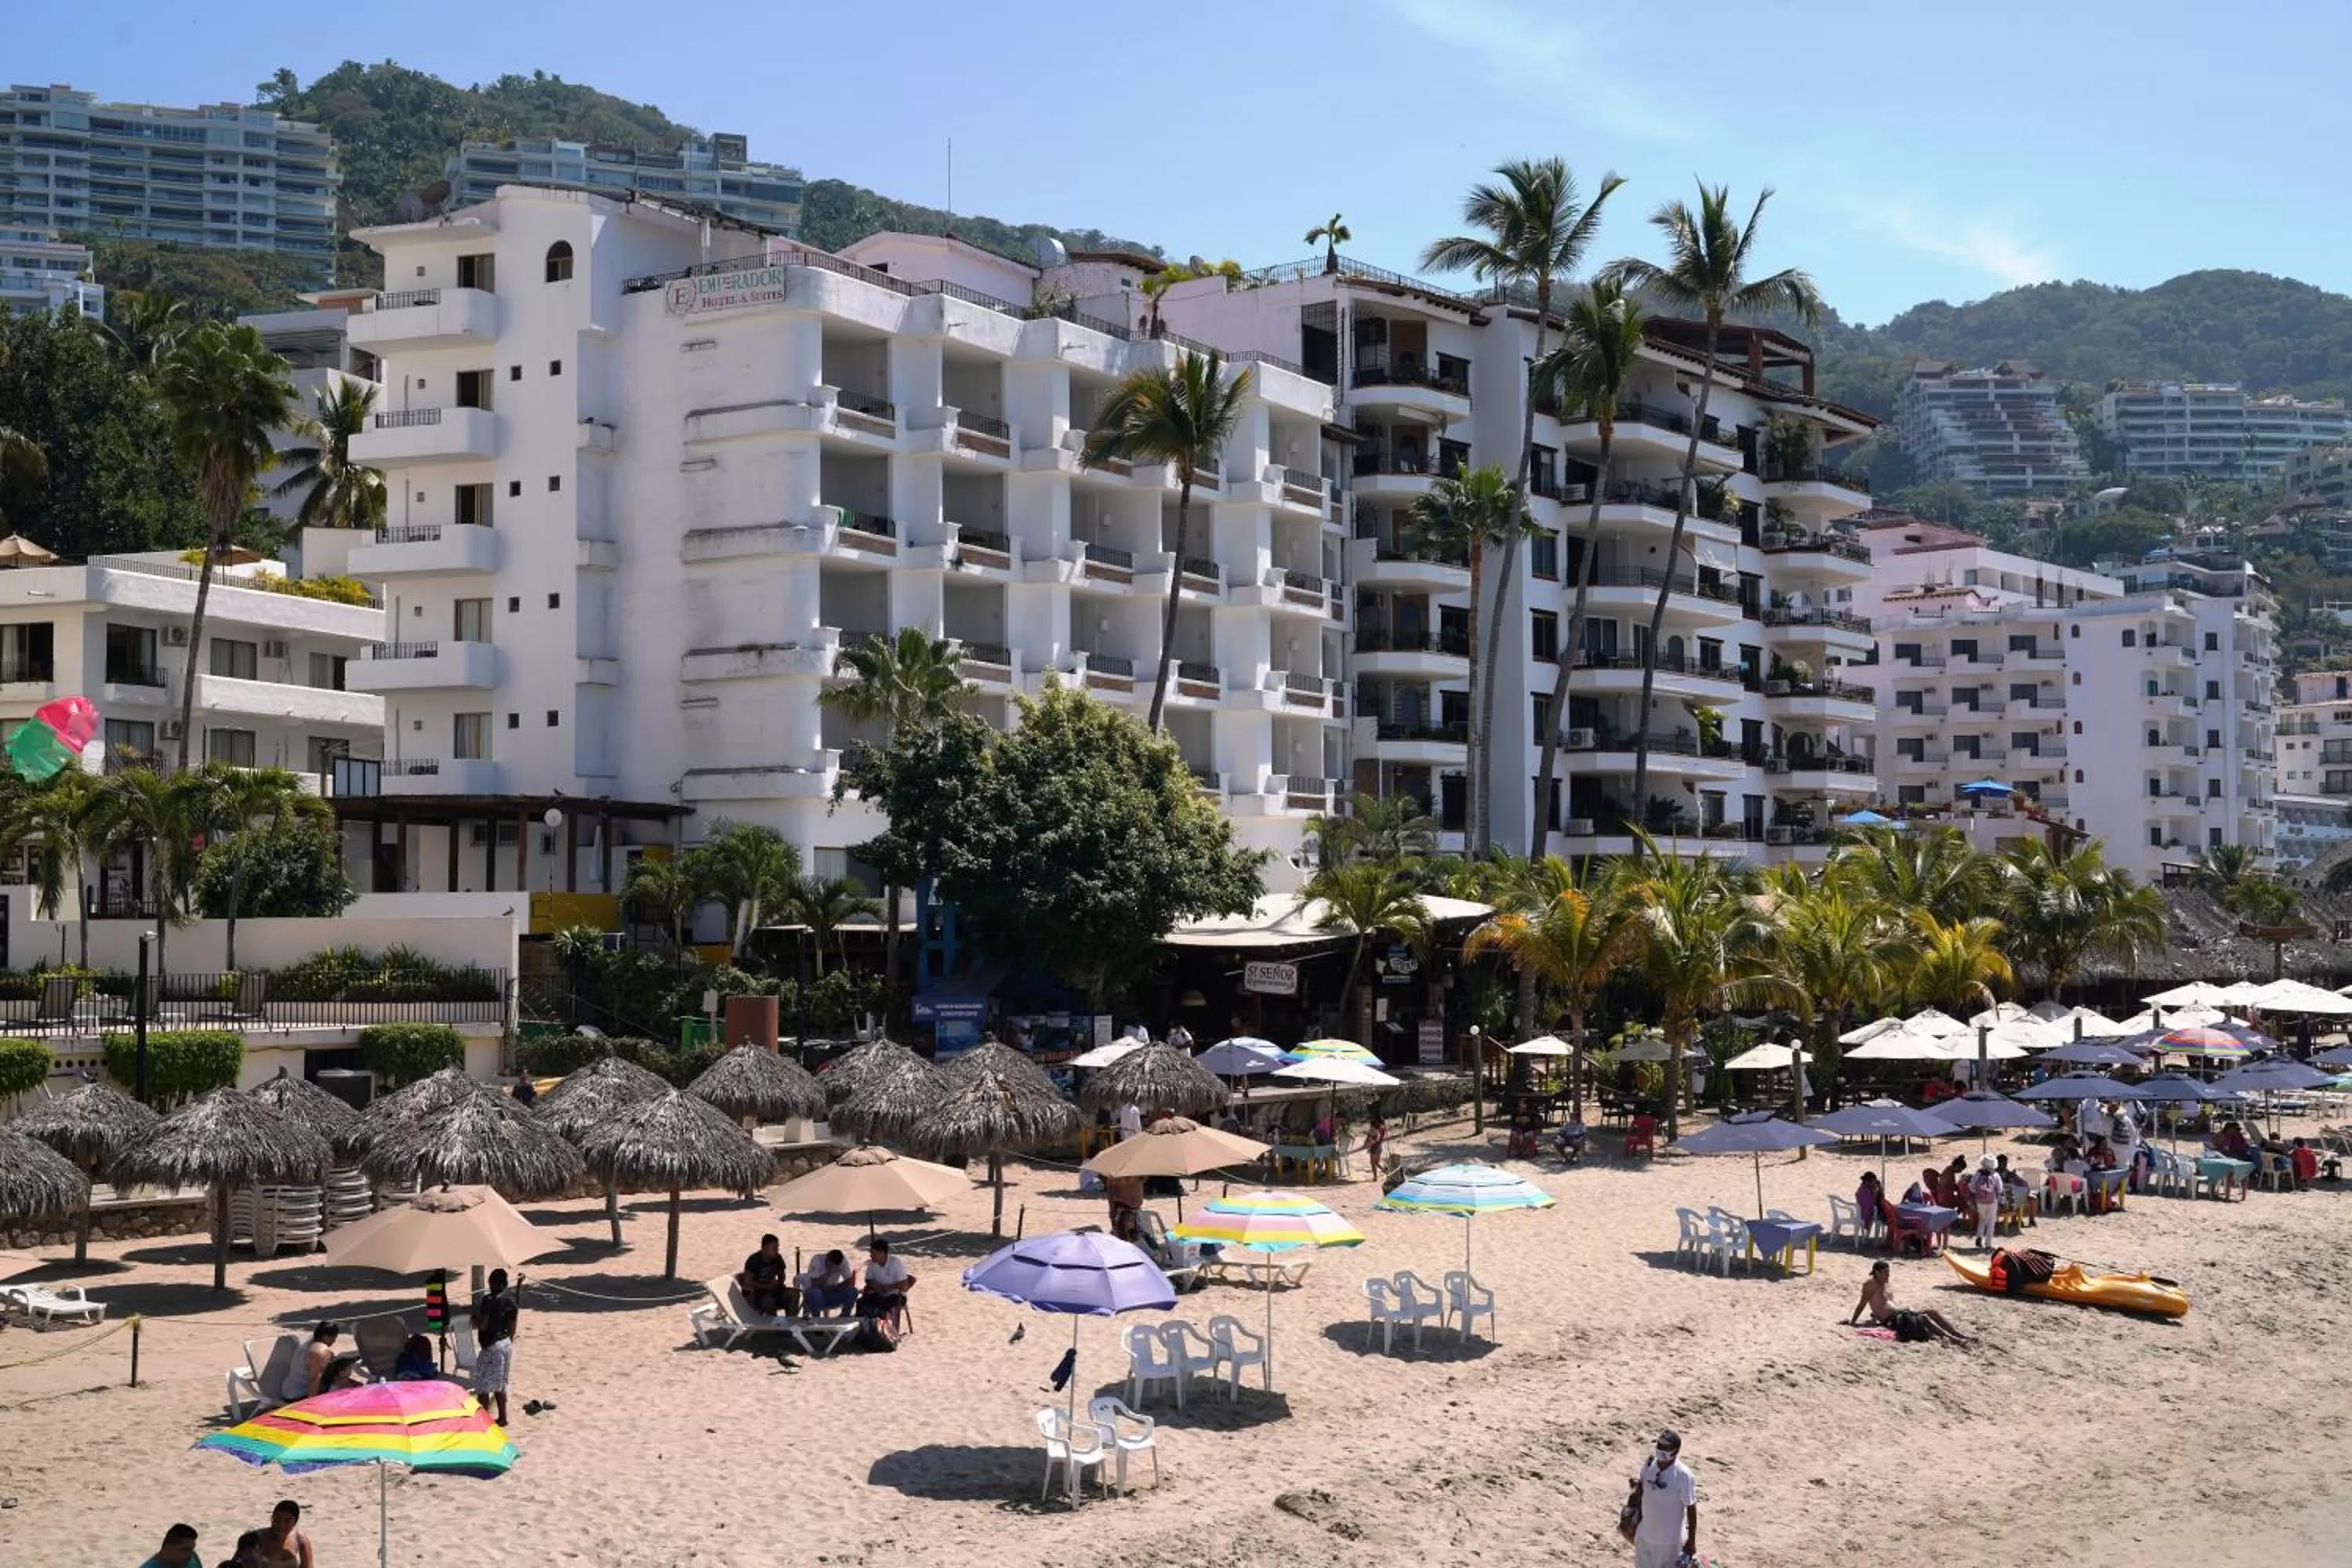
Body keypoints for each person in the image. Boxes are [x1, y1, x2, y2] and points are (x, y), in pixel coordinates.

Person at [1849, 1259, 1977, 1347]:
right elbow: (1862, 1304)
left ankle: (1960, 1334)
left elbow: (1887, 1303)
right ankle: (1955, 1340)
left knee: (1932, 1312)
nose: (1888, 1277)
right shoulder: (1870, 1285)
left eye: (1889, 1274)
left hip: (1900, 1313)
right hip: (1891, 1320)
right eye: (1885, 1274)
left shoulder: (1885, 1284)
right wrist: (1853, 1322)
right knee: (1924, 1317)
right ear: (1876, 1273)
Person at [1624, 1429, 1699, 1568]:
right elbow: (1640, 1490)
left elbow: (1691, 1508)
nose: (1660, 1450)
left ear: (1675, 1452)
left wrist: (1691, 1541)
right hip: (1645, 1537)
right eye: (1659, 1446)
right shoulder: (1649, 1464)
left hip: (1670, 1544)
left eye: (1665, 1447)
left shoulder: (1683, 1475)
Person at [469, 1267, 521, 1426]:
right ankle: (503, 1418)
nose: (489, 1286)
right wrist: (509, 1340)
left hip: (492, 1346)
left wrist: (475, 1320)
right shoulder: (510, 1298)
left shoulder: (489, 1300)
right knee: (500, 1384)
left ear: (494, 1284)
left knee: (482, 1385)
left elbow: (483, 1325)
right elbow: (513, 1323)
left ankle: (483, 1421)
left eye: (490, 1283)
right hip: (506, 1344)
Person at [858, 1239, 916, 1338]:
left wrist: (888, 1288)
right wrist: (877, 1287)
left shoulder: (895, 1263)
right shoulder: (872, 1264)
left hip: (895, 1295)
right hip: (878, 1293)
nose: (871, 1256)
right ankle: (863, 1330)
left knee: (885, 1304)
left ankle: (884, 1332)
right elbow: (868, 1280)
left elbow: (904, 1283)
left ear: (882, 1253)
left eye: (873, 1253)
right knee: (861, 1302)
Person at [285, 1321, 354, 1402]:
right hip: (299, 1395)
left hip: (291, 1390)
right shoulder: (320, 1350)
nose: (334, 1341)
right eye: (333, 1338)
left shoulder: (309, 1343)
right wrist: (311, 1404)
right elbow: (314, 1379)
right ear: (326, 1336)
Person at [740, 1233, 795, 1316]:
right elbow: (747, 1282)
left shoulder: (778, 1258)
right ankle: (773, 1326)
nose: (777, 1250)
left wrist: (779, 1282)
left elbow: (782, 1276)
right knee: (769, 1301)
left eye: (778, 1248)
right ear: (765, 1248)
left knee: (794, 1294)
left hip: (773, 1291)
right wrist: (767, 1286)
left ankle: (791, 1325)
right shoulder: (754, 1260)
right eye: (774, 1248)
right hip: (757, 1294)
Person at [249, 1501, 313, 1568]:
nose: (281, 1525)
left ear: (295, 1523)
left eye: (288, 1521)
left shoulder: (299, 1538)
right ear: (272, 1518)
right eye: (277, 1519)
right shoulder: (256, 1539)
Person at [804, 1250, 858, 1316]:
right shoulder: (817, 1259)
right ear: (827, 1258)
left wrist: (836, 1287)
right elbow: (814, 1283)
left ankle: (844, 1316)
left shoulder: (842, 1260)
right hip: (819, 1292)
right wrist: (829, 1272)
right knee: (814, 1292)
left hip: (833, 1291)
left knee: (852, 1291)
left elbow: (849, 1281)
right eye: (831, 1263)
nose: (832, 1266)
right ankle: (816, 1319)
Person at [1969, 1156, 2004, 1250]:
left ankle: (1979, 1238)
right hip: (1992, 1201)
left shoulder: (1978, 1173)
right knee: (1991, 1222)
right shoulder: (1996, 1174)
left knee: (1982, 1219)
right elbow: (2000, 1189)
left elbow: (1972, 1187)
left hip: (1980, 1201)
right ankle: (1988, 1244)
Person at [1995, 1154, 2039, 1226]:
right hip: (2003, 1199)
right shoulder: (1994, 1174)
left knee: (2033, 1199)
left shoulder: (2008, 1173)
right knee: (2015, 1200)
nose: (2005, 1165)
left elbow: (2023, 1183)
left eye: (2005, 1163)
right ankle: (2016, 1220)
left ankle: (2031, 1220)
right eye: (2003, 1163)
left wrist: (2015, 1176)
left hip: (2014, 1194)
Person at [137, 1524, 201, 1568]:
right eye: (185, 1549)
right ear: (168, 1548)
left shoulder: (193, 1559)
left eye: (192, 1549)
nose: (190, 1554)